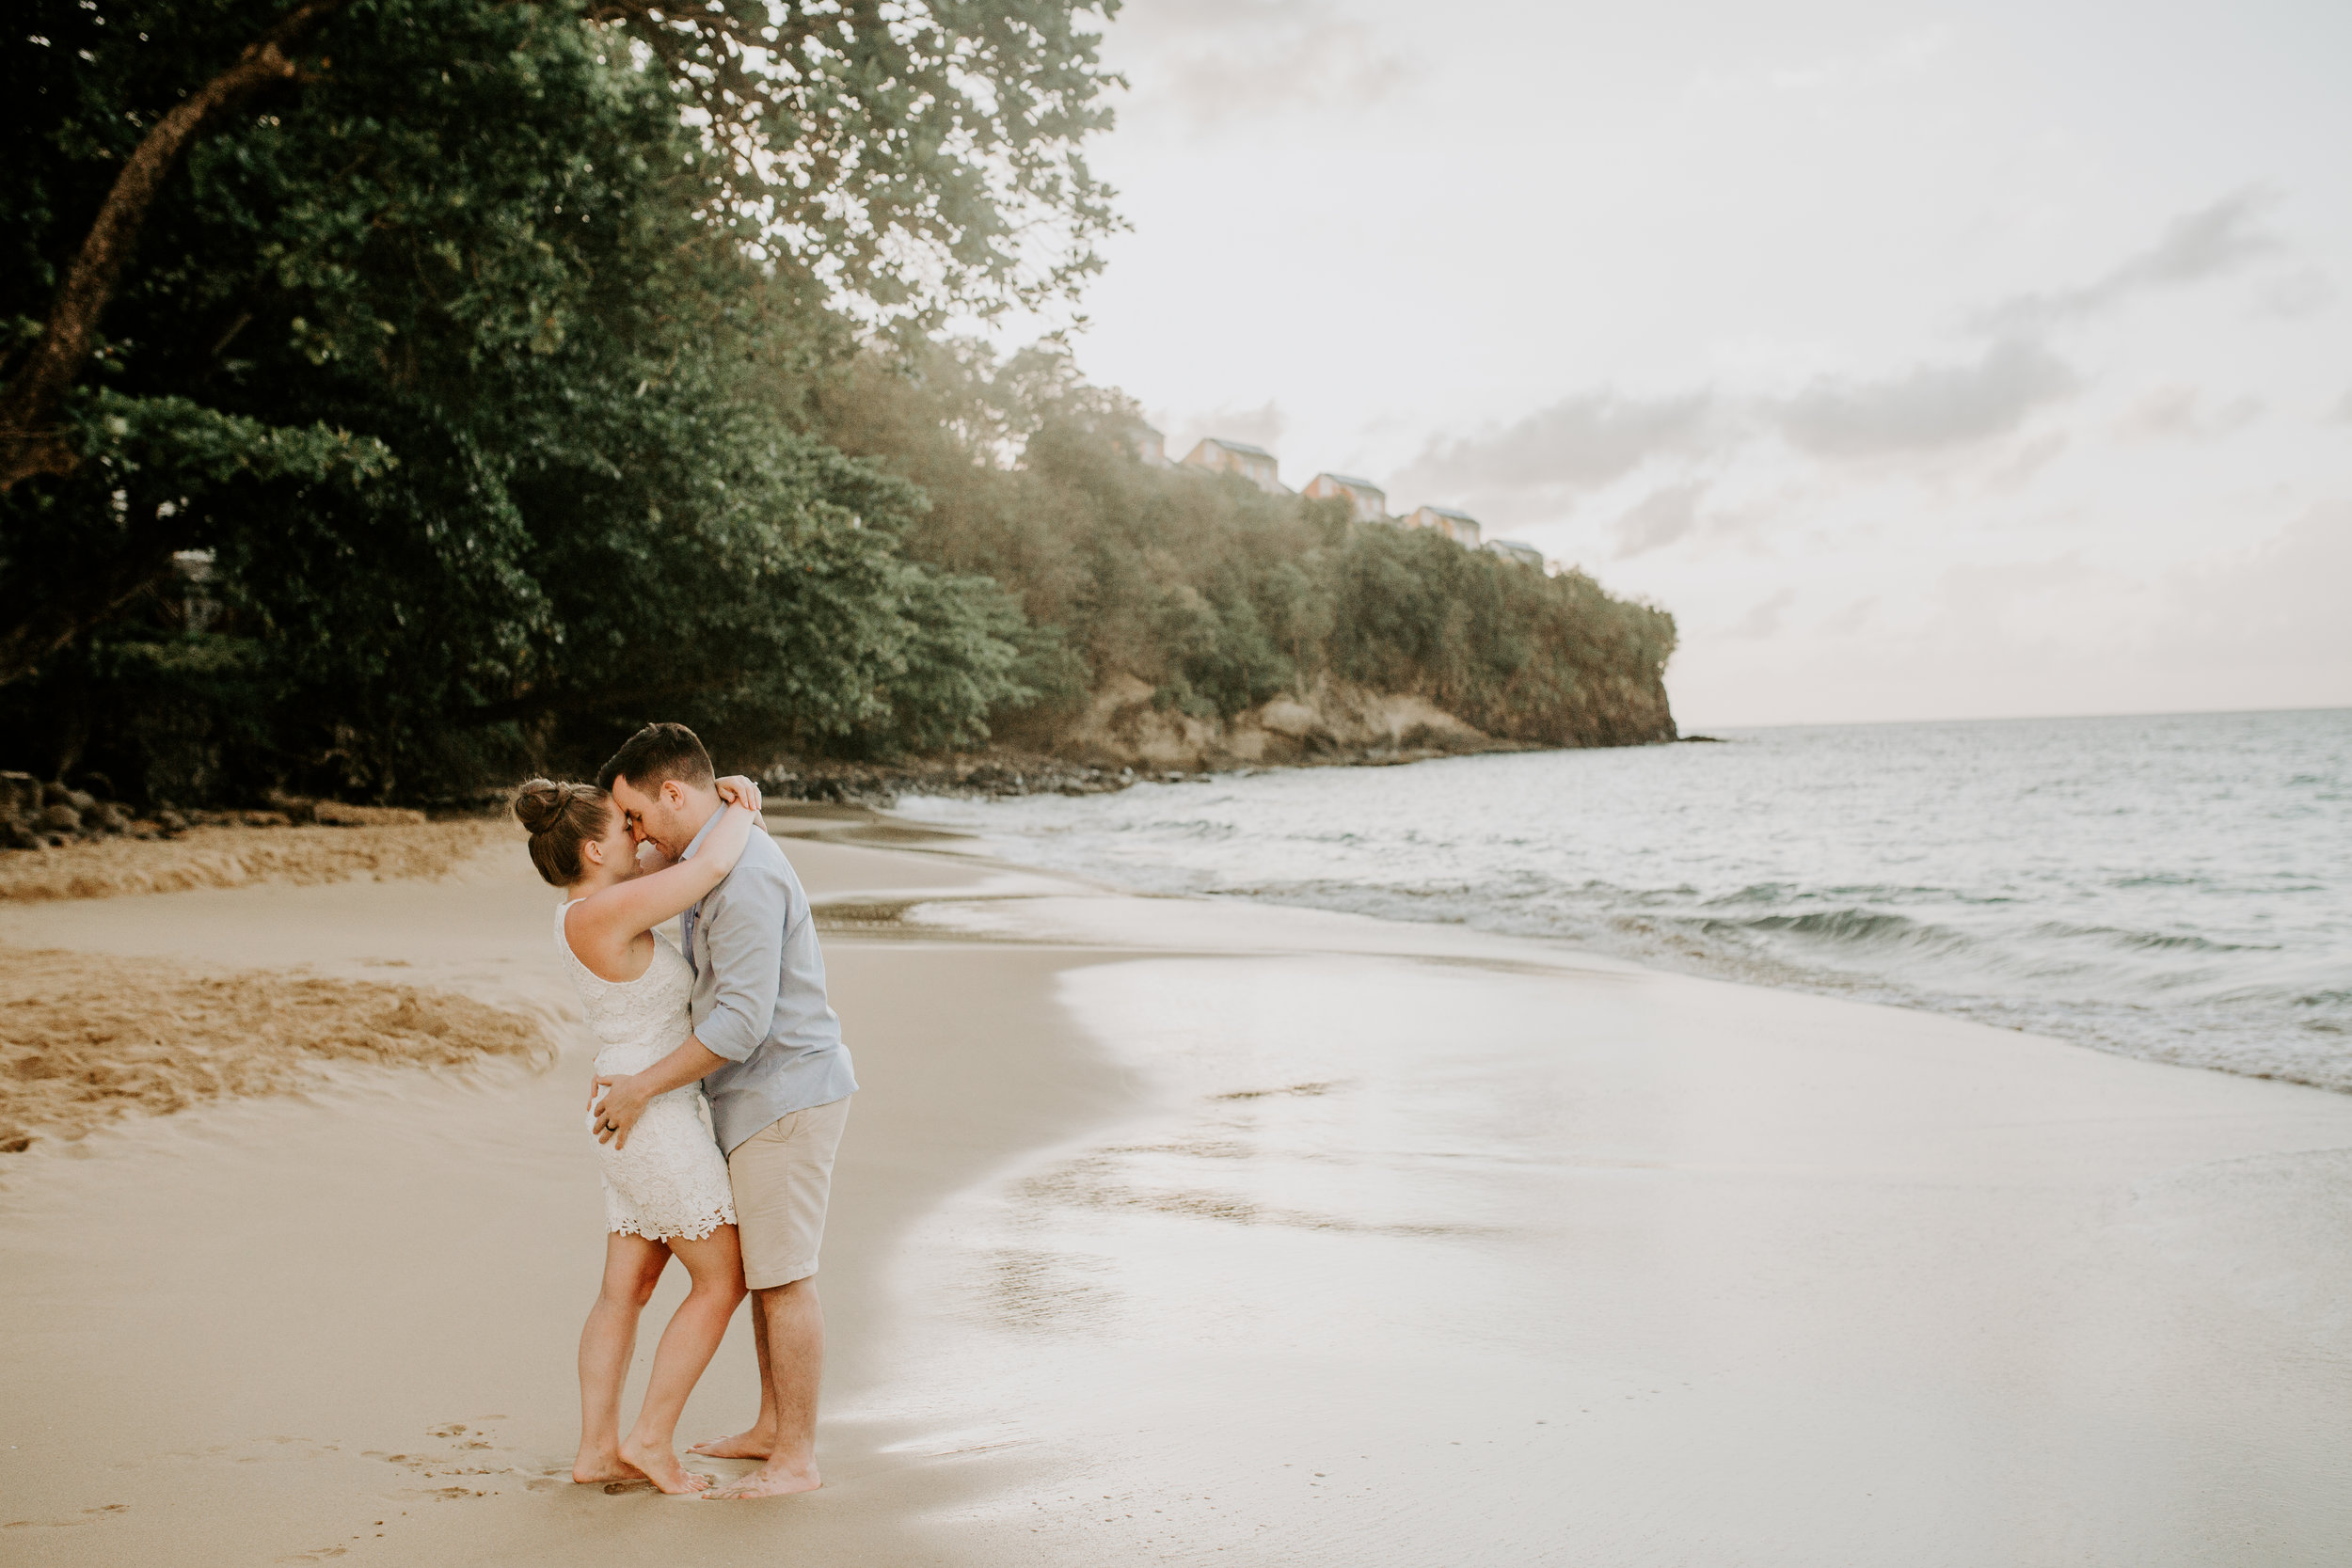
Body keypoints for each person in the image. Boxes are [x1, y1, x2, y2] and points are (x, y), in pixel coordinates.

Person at [589, 722, 858, 1501]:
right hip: (754, 1098)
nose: (636, 835)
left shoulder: (742, 877)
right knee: (769, 1270)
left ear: (674, 793)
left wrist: (640, 1084)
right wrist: (738, 799)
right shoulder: (708, 856)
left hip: (785, 1094)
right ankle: (774, 1425)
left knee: (785, 1278)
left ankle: (797, 1456)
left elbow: (739, 1024)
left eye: (638, 815)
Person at [514, 770, 765, 1496]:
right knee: (725, 1276)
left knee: (627, 1285)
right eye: (624, 825)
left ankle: (597, 1449)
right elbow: (712, 862)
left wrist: (719, 797)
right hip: (643, 1109)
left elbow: (680, 851)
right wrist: (743, 806)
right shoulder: (601, 913)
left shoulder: (592, 903)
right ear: (595, 849)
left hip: (635, 1098)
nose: (638, 830)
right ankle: (649, 1441)